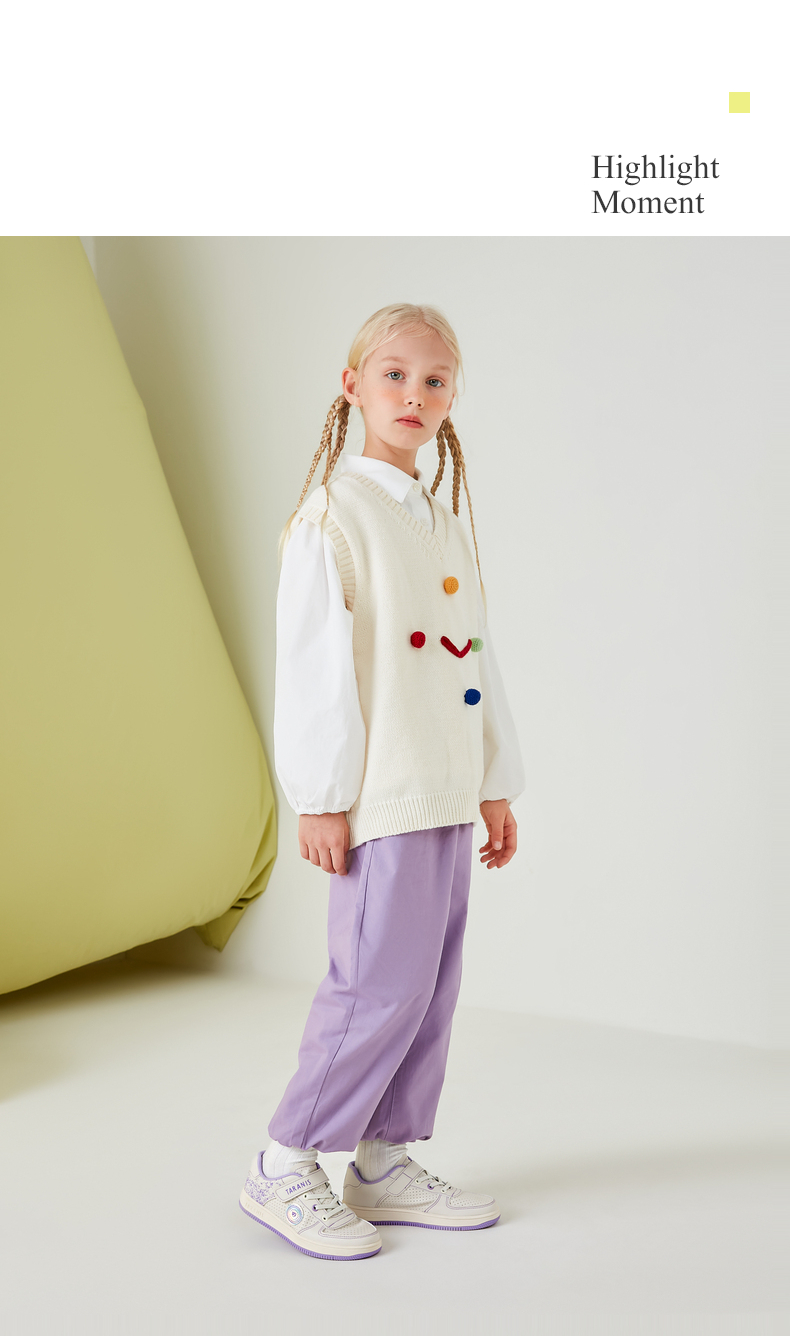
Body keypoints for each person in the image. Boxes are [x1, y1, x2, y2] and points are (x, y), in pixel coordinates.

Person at [239, 303, 525, 1260]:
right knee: (375, 984)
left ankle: (383, 1159)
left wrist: (494, 780)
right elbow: (314, 666)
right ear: (352, 385)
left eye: (435, 380)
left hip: (444, 789)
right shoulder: (335, 517)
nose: (414, 393)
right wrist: (321, 797)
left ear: (452, 398)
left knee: (430, 985)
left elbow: (474, 656)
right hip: (384, 794)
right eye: (394, 373)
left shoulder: (439, 521)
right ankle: (284, 1161)